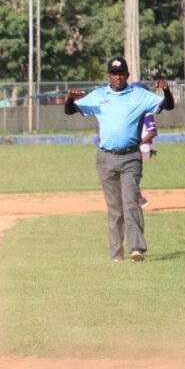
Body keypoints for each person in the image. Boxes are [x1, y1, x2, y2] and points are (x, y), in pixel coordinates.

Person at [66, 56, 173, 262]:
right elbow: (71, 110)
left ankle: (136, 248)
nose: (118, 77)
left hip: (131, 157)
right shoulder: (99, 95)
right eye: (114, 73)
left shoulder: (139, 95)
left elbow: (167, 106)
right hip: (106, 158)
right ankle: (116, 253)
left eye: (122, 73)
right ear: (109, 75)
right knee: (114, 208)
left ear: (127, 75)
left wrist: (166, 91)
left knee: (131, 201)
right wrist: (70, 99)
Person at [138, 113, 158, 209]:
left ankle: (140, 200)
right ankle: (139, 200)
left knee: (126, 174)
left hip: (143, 148)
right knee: (125, 174)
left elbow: (153, 132)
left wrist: (138, 143)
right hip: (139, 148)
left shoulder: (146, 112)